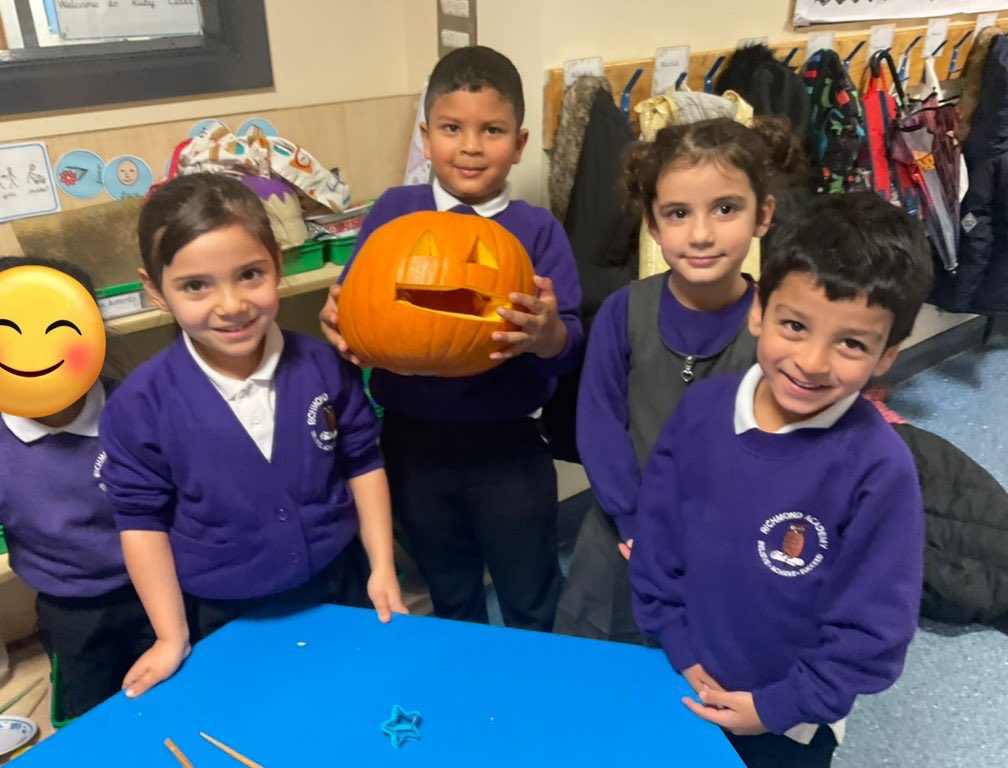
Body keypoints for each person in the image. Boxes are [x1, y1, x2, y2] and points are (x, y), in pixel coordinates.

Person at [630, 192, 933, 768]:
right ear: (759, 310)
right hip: (679, 677)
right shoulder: (703, 409)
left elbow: (875, 629)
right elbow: (658, 538)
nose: (813, 362)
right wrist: (676, 642)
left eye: (851, 343)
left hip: (787, 723)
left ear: (886, 356)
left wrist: (780, 706)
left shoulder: (879, 470)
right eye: (795, 325)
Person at [101, 173, 406, 698]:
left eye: (249, 274)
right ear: (154, 290)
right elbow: (140, 523)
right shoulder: (139, 406)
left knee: (355, 704)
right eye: (196, 285)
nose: (231, 304)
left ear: (278, 264)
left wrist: (383, 568)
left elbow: (363, 462)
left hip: (341, 582)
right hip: (226, 611)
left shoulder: (324, 366)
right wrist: (170, 636)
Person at [319, 46, 583, 630]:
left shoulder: (537, 231)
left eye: (490, 130)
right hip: (413, 446)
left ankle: (533, 700)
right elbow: (356, 302)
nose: (469, 146)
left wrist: (547, 334)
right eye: (451, 128)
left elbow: (570, 347)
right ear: (426, 136)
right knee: (449, 590)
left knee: (530, 588)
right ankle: (463, 701)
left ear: (517, 142)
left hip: (508, 448)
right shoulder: (393, 211)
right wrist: (336, 320)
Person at [556, 117, 806, 643]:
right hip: (622, 537)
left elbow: (781, 450)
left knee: (701, 670)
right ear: (652, 224)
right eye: (678, 213)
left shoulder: (777, 328)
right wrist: (631, 520)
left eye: (725, 209)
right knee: (606, 664)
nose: (700, 233)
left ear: (763, 214)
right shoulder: (623, 312)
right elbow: (600, 424)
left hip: (724, 544)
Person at [0, 256, 154, 719]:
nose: (34, 350)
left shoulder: (137, 407)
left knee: (172, 694)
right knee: (88, 715)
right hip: (69, 609)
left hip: (161, 587)